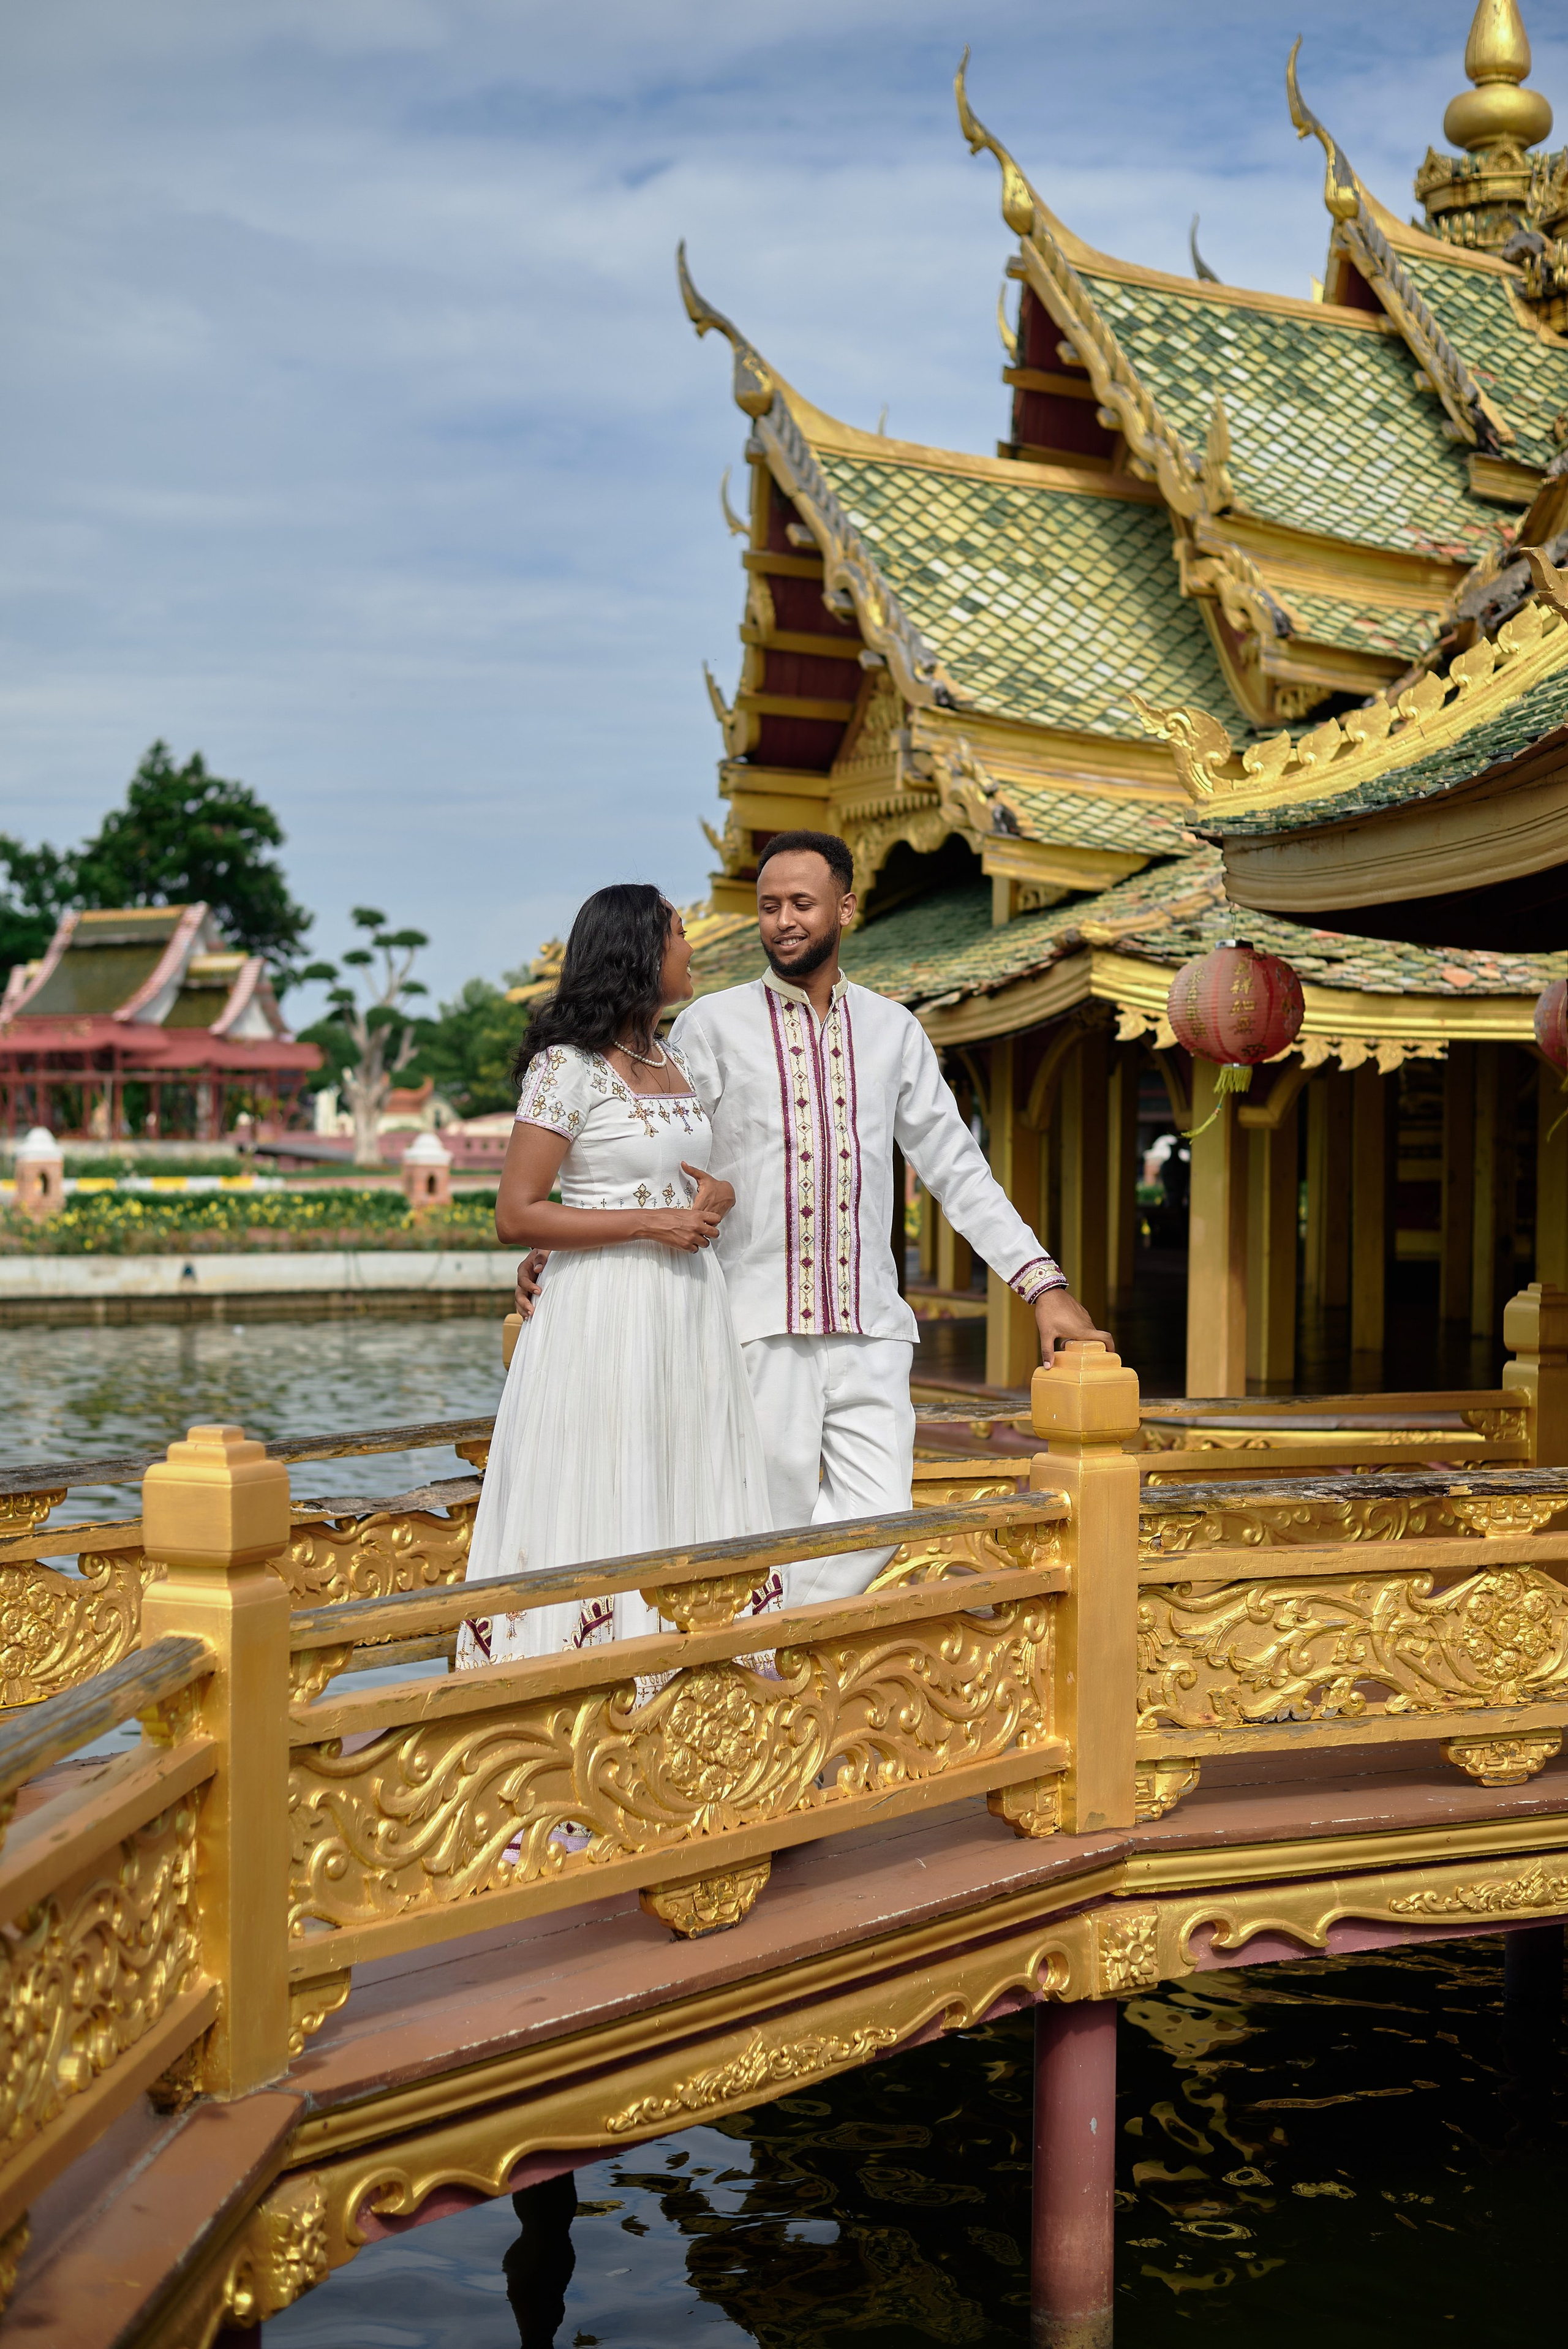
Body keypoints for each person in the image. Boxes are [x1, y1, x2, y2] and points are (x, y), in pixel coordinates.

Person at [517, 832, 1113, 1608]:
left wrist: (1043, 1286)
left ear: (846, 907)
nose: (783, 921)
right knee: (759, 1524)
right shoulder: (710, 1025)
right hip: (752, 1323)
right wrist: (559, 1242)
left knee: (879, 1518)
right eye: (768, 906)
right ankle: (754, 1667)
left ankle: (757, 1646)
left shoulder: (893, 1030)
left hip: (870, 1324)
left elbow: (957, 1170)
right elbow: (648, 1147)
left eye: (801, 903)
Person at [460, 883, 774, 1668]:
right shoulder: (566, 1069)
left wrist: (716, 1195)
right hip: (603, 1310)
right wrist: (647, 1223)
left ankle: (694, 1667)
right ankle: (590, 1672)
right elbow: (517, 1213)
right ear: (639, 951)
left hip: (686, 1306)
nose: (692, 947)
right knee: (607, 1471)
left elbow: (685, 1176)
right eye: (680, 932)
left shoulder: (674, 1059)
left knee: (680, 1465)